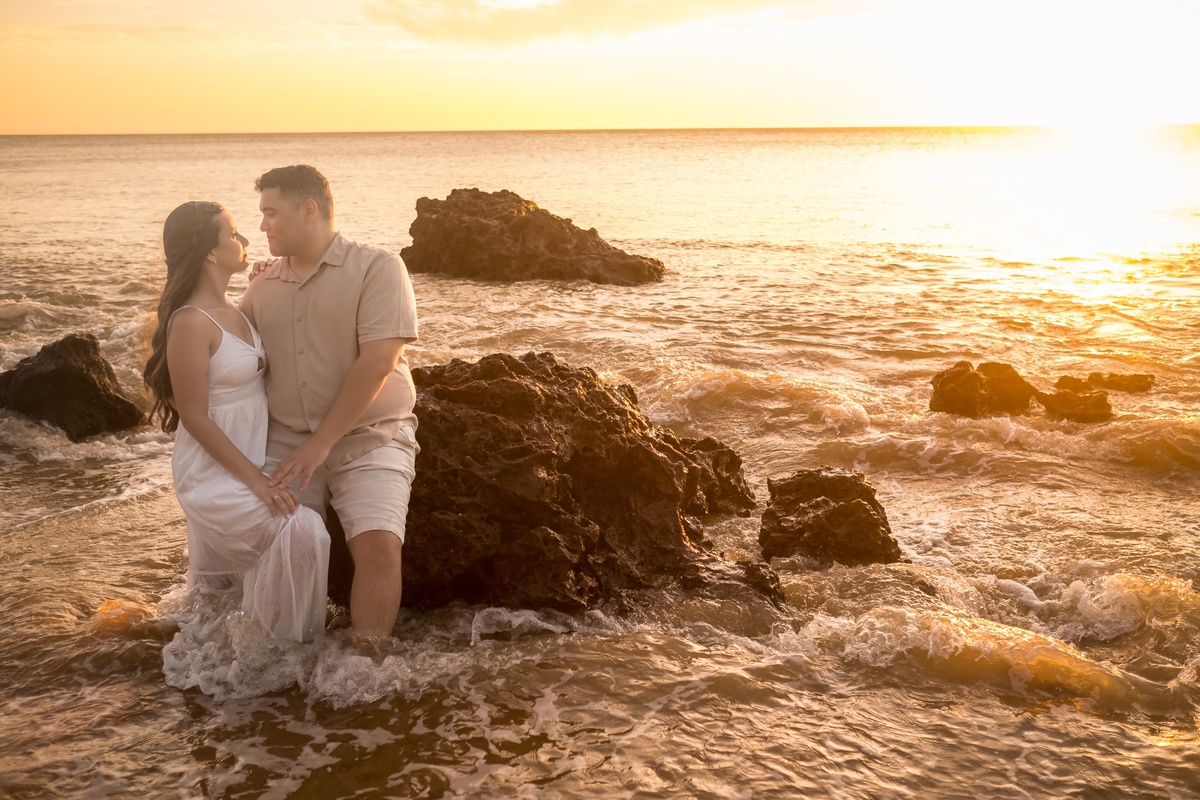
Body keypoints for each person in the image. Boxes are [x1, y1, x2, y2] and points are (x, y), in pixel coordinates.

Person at [240, 165, 419, 641]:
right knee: (276, 545)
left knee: (379, 546)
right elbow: (233, 356)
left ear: (308, 210)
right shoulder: (261, 285)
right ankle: (277, 663)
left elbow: (378, 362)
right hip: (286, 442)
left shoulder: (379, 268)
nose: (262, 226)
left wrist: (320, 444)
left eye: (271, 212)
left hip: (372, 437)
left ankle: (364, 667)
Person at [144, 201, 331, 641]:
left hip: (249, 459)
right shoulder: (191, 321)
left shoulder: (236, 307)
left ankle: (228, 652)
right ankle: (273, 652)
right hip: (211, 473)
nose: (245, 239)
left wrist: (269, 277)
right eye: (232, 233)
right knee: (302, 530)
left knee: (216, 596)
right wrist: (257, 482)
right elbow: (193, 416)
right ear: (210, 252)